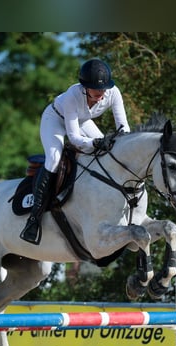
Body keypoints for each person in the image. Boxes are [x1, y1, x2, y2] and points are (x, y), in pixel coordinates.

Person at [20, 58, 131, 244]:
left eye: (103, 89)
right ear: (85, 87)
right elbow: (74, 139)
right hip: (55, 119)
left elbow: (123, 128)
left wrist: (121, 144)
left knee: (105, 154)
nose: (101, 94)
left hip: (82, 120)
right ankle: (34, 218)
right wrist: (97, 143)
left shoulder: (113, 92)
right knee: (54, 159)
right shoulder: (73, 95)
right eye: (96, 90)